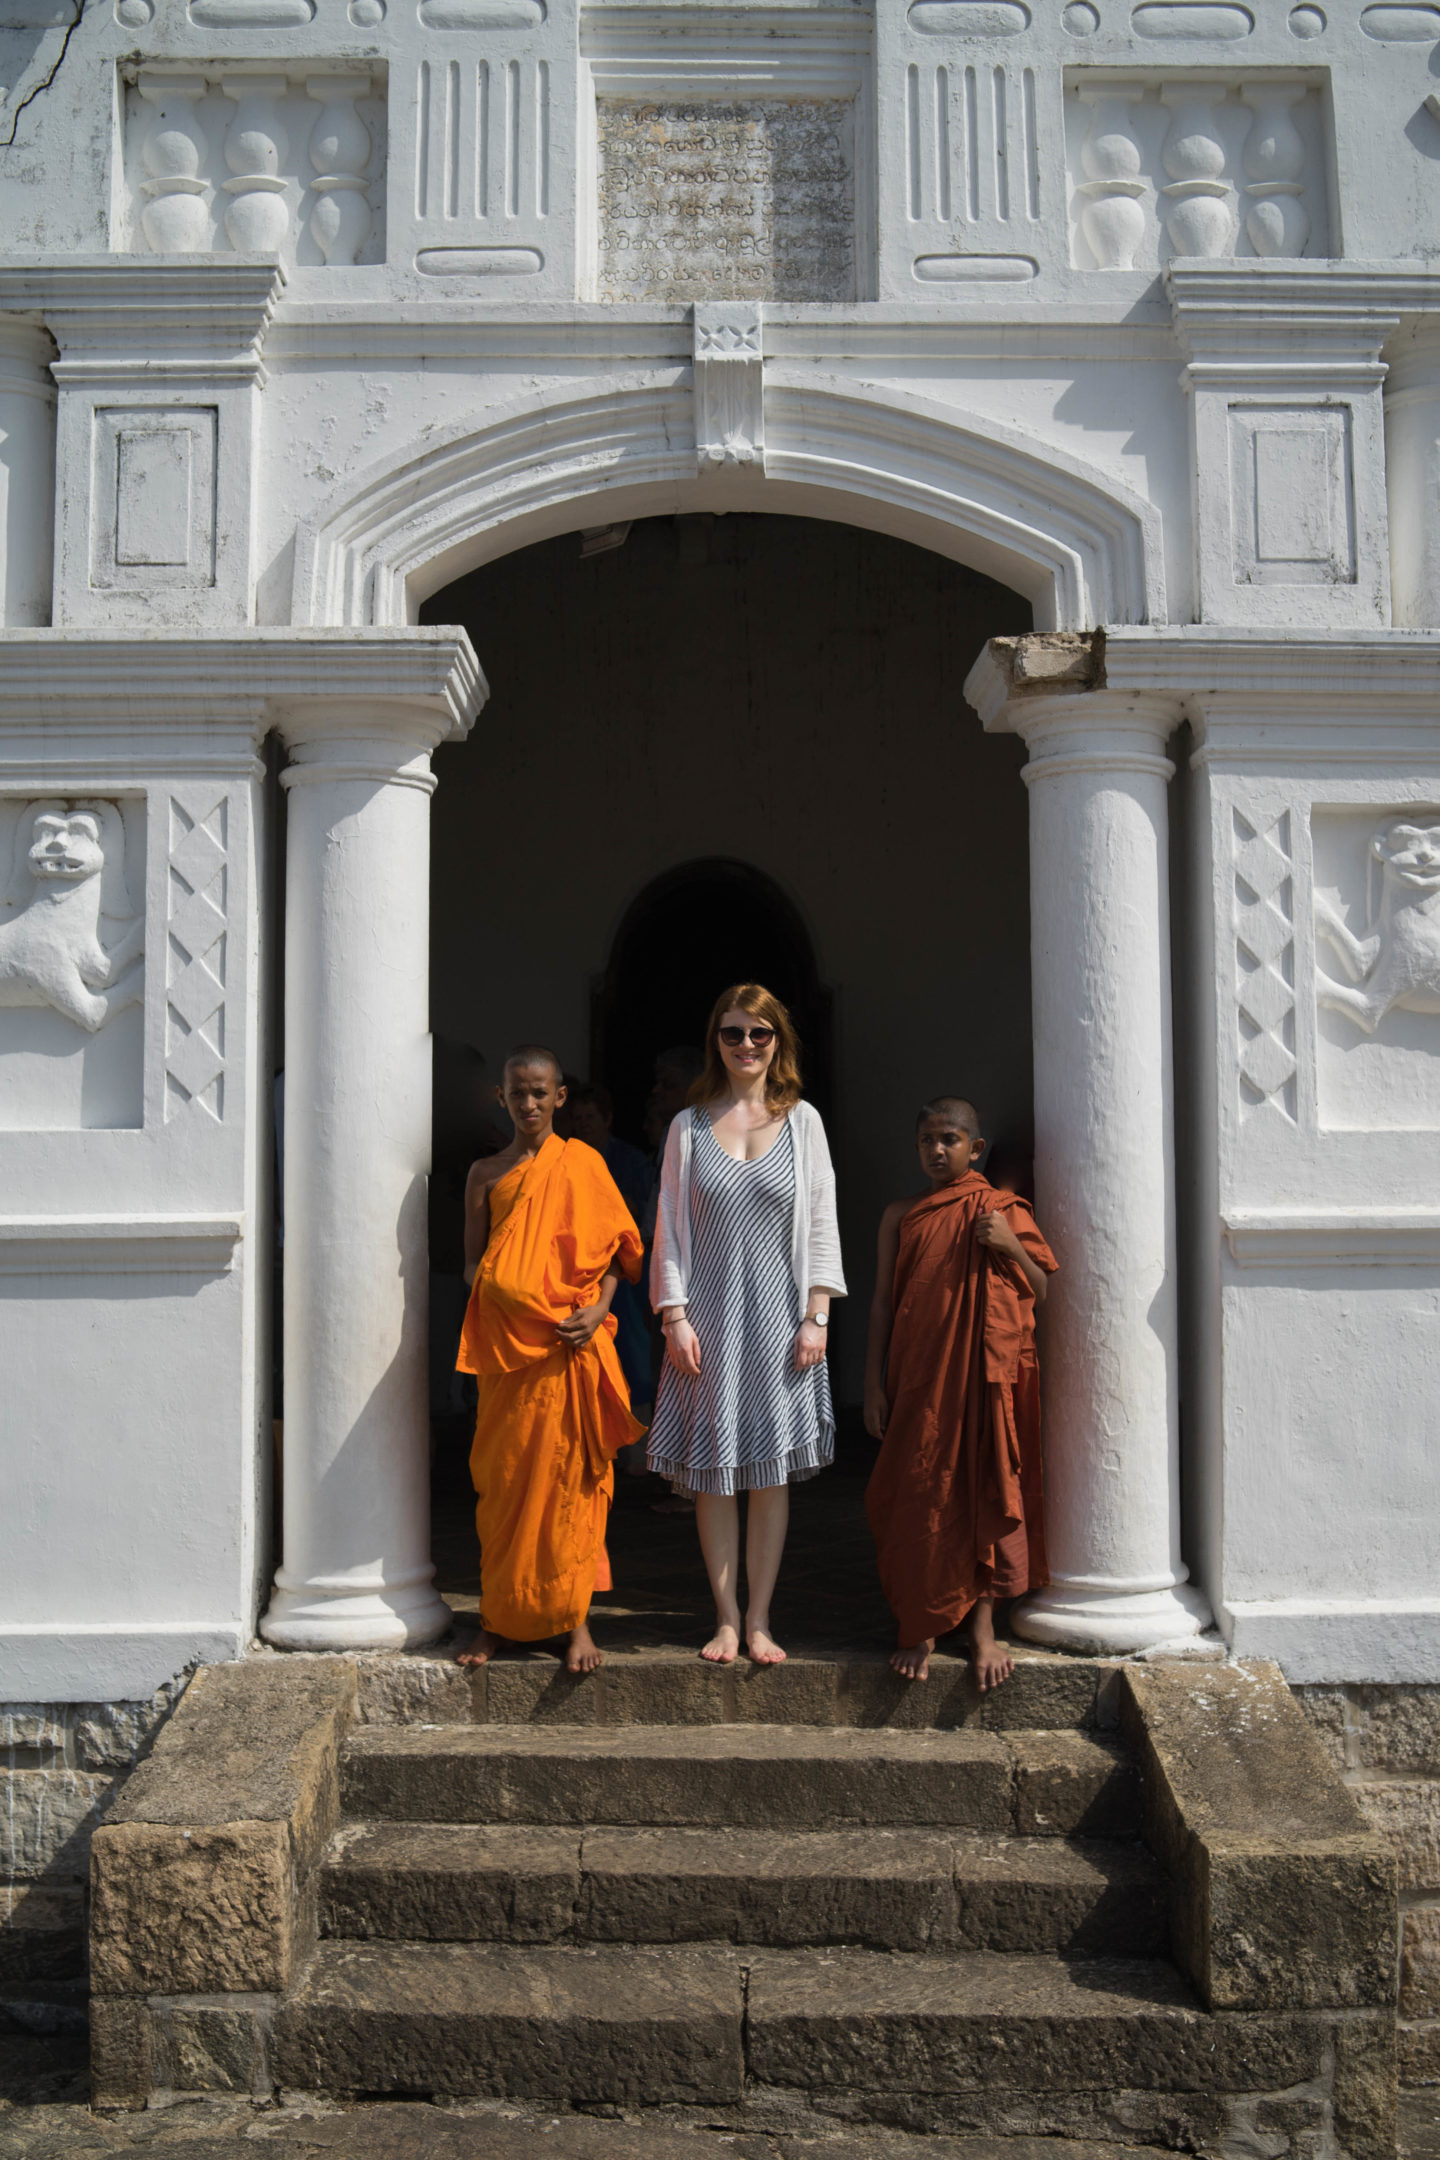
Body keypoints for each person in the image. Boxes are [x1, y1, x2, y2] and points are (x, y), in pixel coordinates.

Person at [648, 984, 845, 1666]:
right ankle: (726, 1619)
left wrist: (818, 1315)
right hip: (708, 1323)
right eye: (733, 1034)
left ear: (778, 1041)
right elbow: (668, 1230)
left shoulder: (804, 1123)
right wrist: (673, 1316)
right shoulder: (688, 1127)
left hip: (782, 1322)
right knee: (713, 1476)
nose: (747, 1046)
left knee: (768, 1476)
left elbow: (822, 1221)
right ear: (717, 1043)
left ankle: (761, 1618)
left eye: (759, 1034)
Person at [456, 1046, 644, 1675]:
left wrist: (596, 1312)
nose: (529, 1104)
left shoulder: (582, 1163)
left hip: (570, 1348)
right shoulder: (485, 1172)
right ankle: (496, 1620)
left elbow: (618, 1253)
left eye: (541, 1093)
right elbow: (470, 1264)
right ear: (501, 1098)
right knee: (505, 1487)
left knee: (569, 1485)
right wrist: (508, 1296)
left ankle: (575, 1621)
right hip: (510, 1355)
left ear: (559, 1097)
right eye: (518, 1093)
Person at [864, 1097, 1057, 1690]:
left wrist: (1007, 1243)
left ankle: (981, 1629)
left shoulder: (1001, 1210)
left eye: (950, 1139)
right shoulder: (903, 1214)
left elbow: (1041, 1288)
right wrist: (871, 1383)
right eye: (927, 1140)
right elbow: (881, 1304)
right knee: (919, 1491)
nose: (937, 1150)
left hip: (980, 1382)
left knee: (980, 1490)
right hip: (918, 1377)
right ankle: (921, 1622)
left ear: (975, 1148)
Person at [565, 1079, 657, 1422]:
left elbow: (647, 1216)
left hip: (626, 1274)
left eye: (590, 1116)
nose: (583, 1124)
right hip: (580, 1273)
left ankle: (639, 1447)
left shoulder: (629, 1161)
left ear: (607, 1119)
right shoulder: (564, 1159)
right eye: (577, 1117)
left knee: (633, 1354)